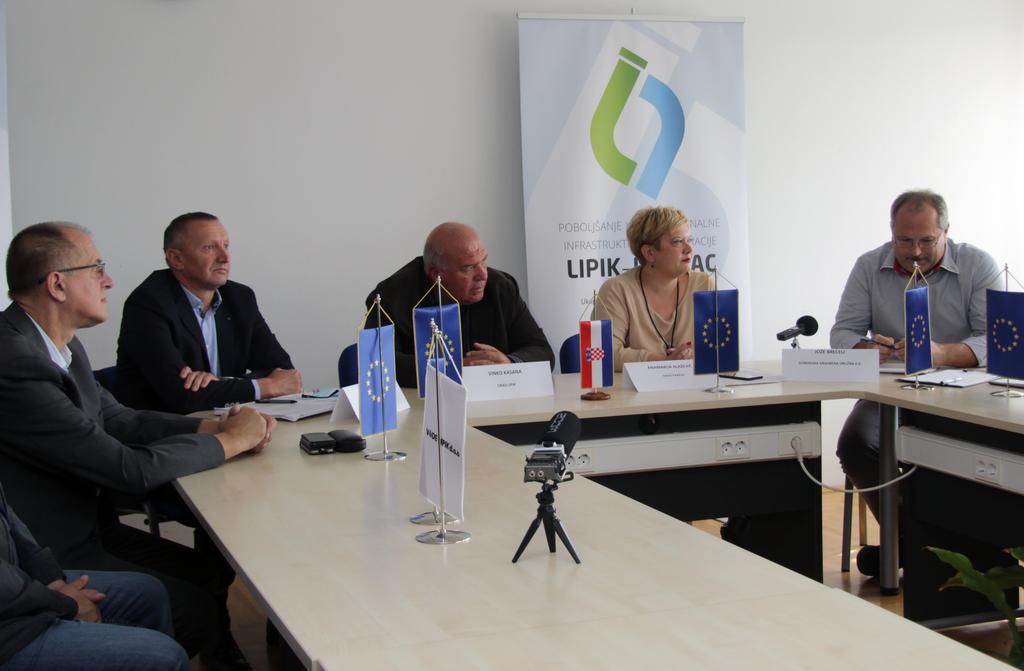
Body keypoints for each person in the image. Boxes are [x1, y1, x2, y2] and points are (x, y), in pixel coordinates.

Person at [0, 222, 274, 669]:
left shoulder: (62, 347)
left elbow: (121, 419)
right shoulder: (14, 361)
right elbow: (128, 469)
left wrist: (211, 427)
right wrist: (230, 441)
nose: (108, 280)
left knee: (208, 573)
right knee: (193, 610)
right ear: (57, 284)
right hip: (47, 554)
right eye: (97, 269)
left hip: (92, 526)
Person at [830, 190, 1002, 576]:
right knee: (856, 443)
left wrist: (941, 352)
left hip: (964, 391)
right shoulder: (868, 266)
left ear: (946, 232)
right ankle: (917, 544)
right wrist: (867, 348)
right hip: (891, 389)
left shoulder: (977, 265)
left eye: (926, 240)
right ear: (891, 232)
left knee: (977, 452)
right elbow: (842, 334)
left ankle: (918, 548)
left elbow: (996, 338)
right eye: (904, 241)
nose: (916, 252)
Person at [116, 212, 300, 413]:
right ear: (176, 259)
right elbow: (182, 396)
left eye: (226, 246)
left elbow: (285, 372)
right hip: (168, 426)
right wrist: (266, 386)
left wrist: (219, 382)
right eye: (209, 248)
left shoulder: (240, 298)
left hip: (228, 421)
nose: (225, 257)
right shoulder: (148, 304)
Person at [0, 481, 189, 671]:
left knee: (149, 594)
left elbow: (7, 515)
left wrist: (52, 580)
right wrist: (63, 602)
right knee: (169, 658)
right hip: (10, 631)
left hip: (19, 586)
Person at [367, 222, 554, 387]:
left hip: (494, 402)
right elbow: (378, 363)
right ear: (436, 274)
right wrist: (451, 369)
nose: (483, 275)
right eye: (468, 267)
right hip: (422, 406)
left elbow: (542, 351)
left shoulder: (500, 288)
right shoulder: (390, 297)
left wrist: (510, 363)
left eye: (484, 261)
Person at [593, 206, 713, 370]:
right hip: (636, 387)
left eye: (689, 240)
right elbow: (604, 354)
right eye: (678, 241)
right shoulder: (616, 290)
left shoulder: (704, 285)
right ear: (649, 253)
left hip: (696, 384)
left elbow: (721, 349)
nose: (689, 249)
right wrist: (663, 361)